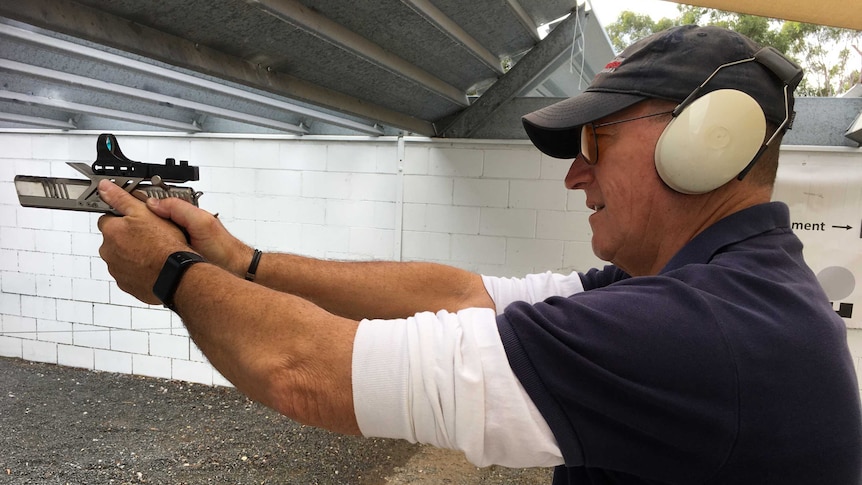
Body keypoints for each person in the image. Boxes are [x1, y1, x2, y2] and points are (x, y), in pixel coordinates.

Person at [97, 25, 862, 484]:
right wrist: (243, 261)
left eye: (597, 139)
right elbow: (467, 294)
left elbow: (305, 373)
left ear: (707, 139)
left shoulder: (703, 329)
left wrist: (170, 273)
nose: (575, 171)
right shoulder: (719, 291)